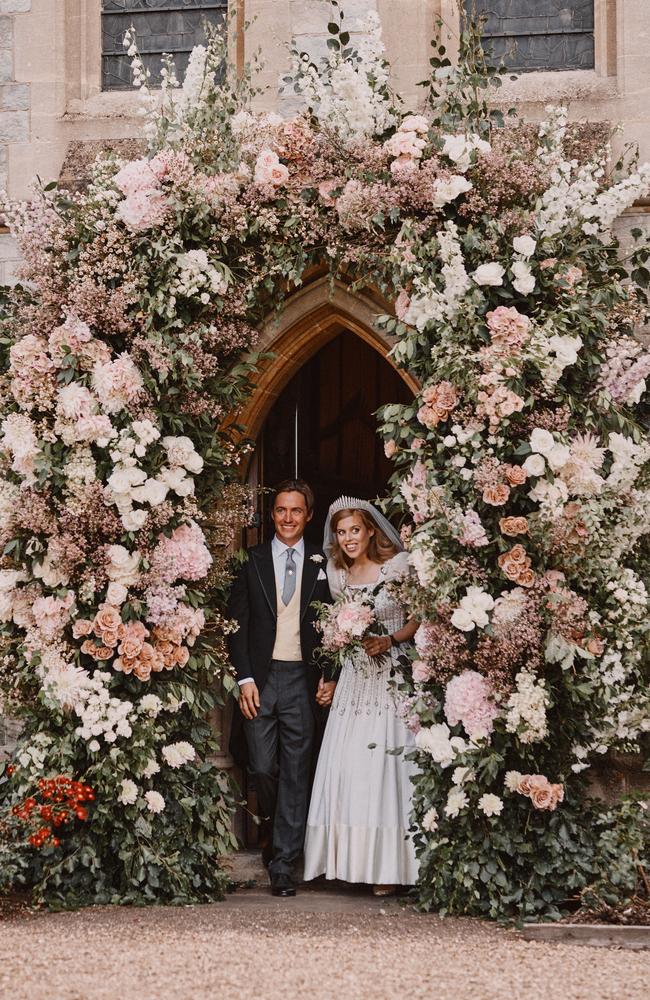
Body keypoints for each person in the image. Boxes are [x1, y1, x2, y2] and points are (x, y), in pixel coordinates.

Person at [303, 497, 419, 894]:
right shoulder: (338, 574)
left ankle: (390, 868)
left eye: (355, 530)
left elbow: (417, 617)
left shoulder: (398, 567)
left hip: (391, 675)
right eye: (341, 532)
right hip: (355, 679)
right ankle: (350, 861)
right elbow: (338, 637)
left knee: (386, 767)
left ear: (371, 530)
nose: (348, 538)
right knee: (350, 765)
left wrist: (389, 639)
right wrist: (330, 677)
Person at [227, 479, 335, 897]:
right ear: (271, 515)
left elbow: (334, 627)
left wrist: (329, 673)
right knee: (261, 767)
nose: (288, 518)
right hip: (261, 678)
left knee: (296, 772)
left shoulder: (321, 563)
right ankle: (275, 831)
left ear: (308, 515)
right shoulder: (251, 560)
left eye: (296, 511)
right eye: (280, 510)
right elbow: (236, 625)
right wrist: (245, 678)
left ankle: (284, 863)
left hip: (302, 681)